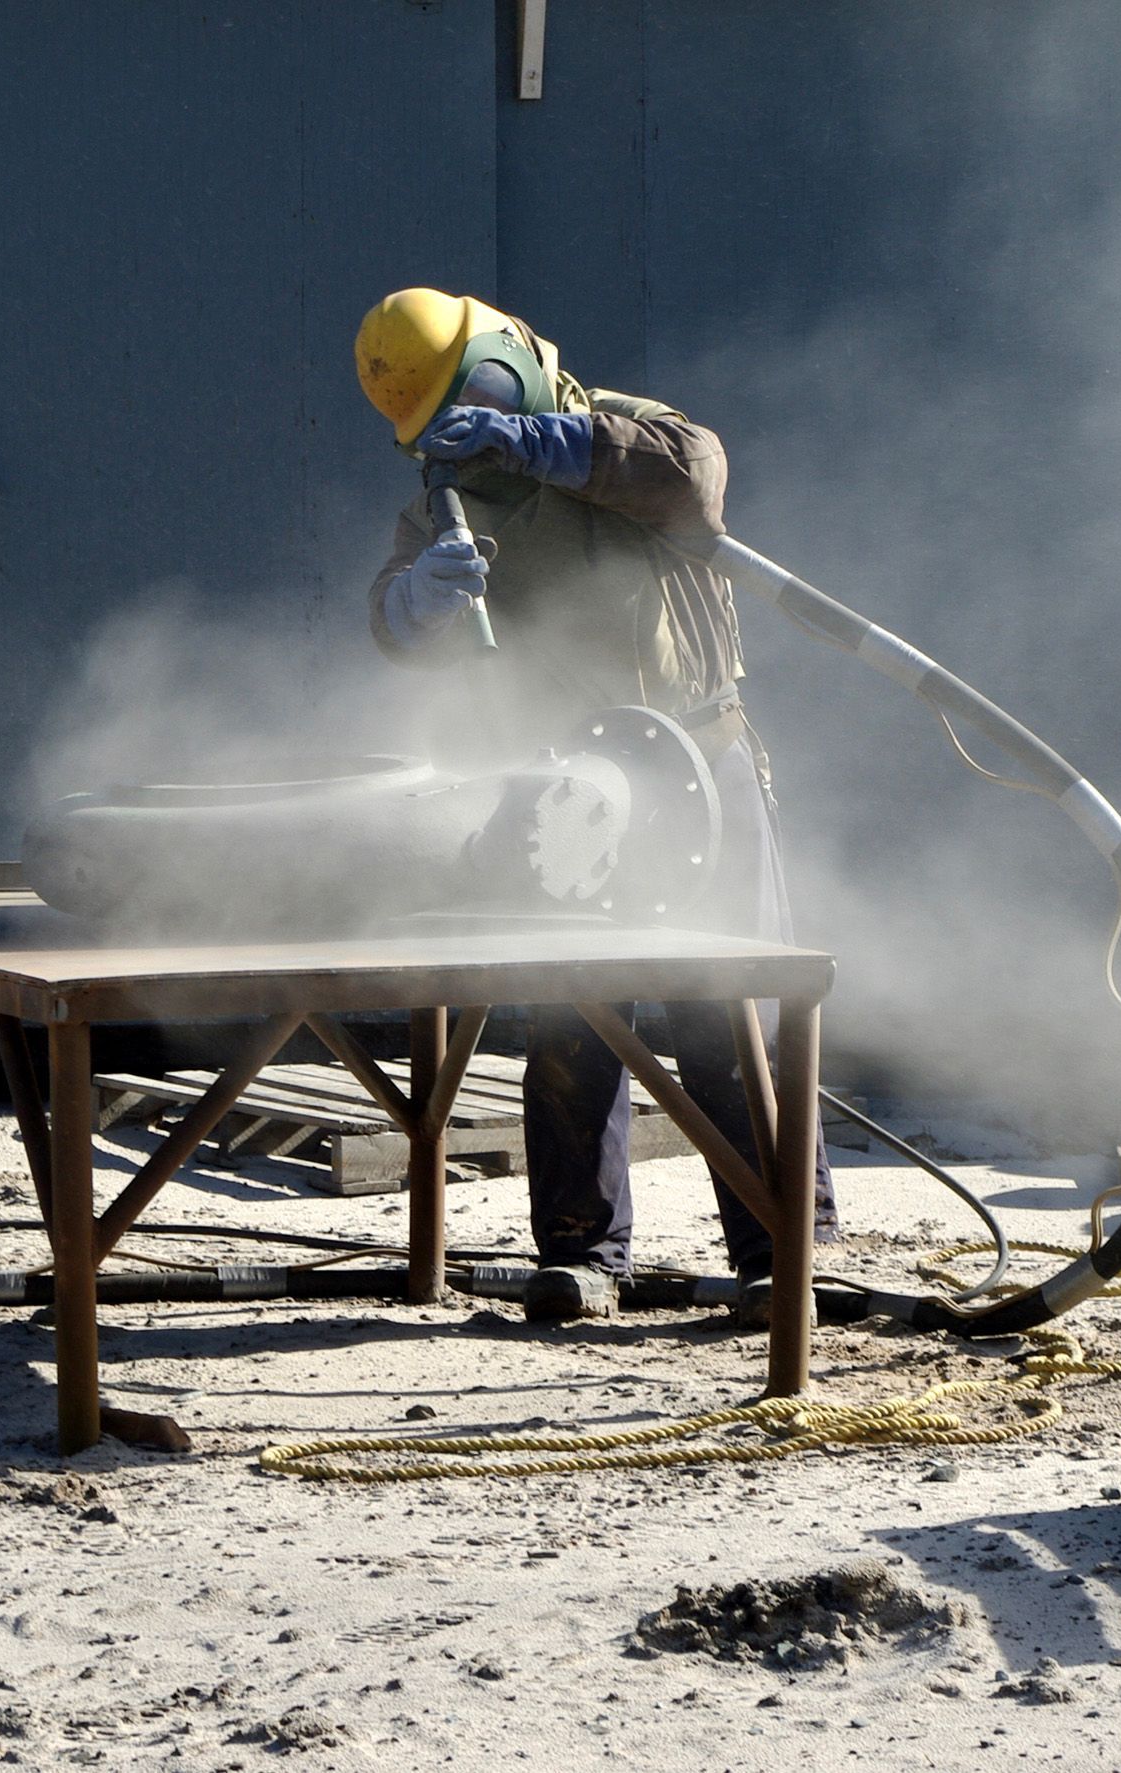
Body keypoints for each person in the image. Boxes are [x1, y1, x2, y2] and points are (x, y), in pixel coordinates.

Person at [354, 287, 838, 1325]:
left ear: (513, 356)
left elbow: (690, 480)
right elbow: (391, 622)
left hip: (698, 755)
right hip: (563, 778)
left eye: (475, 391)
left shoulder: (630, 434)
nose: (464, 421)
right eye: (440, 412)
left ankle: (782, 1249)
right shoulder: (452, 499)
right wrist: (412, 604)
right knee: (572, 1014)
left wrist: (542, 444)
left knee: (730, 1006)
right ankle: (583, 1256)